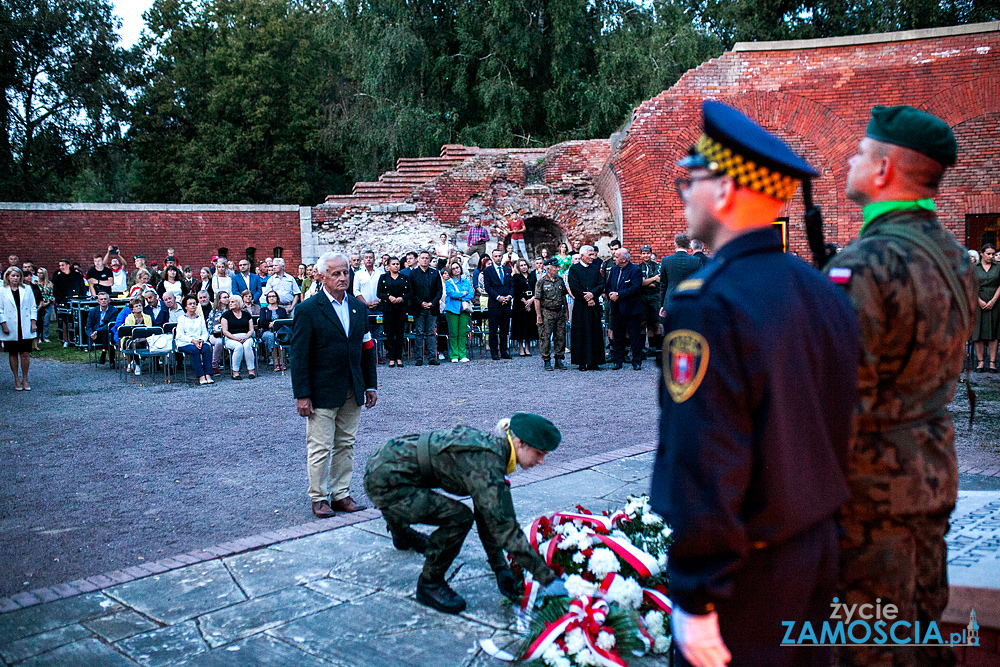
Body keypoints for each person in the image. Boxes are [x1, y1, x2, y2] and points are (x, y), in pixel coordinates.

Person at [651, 99, 860, 667]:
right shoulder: (824, 293)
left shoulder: (707, 305)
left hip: (747, 580)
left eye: (687, 179)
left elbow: (706, 461)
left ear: (722, 191)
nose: (682, 193)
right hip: (818, 556)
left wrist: (695, 598)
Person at [824, 105, 977, 667]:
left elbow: (839, 404)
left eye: (860, 152)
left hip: (869, 496)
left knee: (865, 647)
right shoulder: (954, 257)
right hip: (930, 475)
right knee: (921, 629)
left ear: (884, 170)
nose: (850, 159)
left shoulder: (864, 265)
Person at [363, 413, 566, 614]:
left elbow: (488, 517)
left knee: (440, 507)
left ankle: (402, 534)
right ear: (520, 443)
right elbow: (506, 530)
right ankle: (429, 584)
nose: (541, 461)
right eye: (539, 453)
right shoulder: (489, 466)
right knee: (459, 518)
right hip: (387, 482)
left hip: (387, 461)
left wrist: (500, 568)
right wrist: (547, 578)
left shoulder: (492, 450)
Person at [290, 252, 377, 519]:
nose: (343, 278)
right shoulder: (307, 310)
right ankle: (319, 497)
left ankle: (341, 493)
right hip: (321, 390)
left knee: (346, 444)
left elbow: (367, 347)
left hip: (353, 387)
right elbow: (299, 355)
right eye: (336, 273)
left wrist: (370, 385)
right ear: (321, 276)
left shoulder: (358, 308)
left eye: (346, 273)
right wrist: (302, 395)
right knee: (319, 446)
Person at [566, 246, 605, 370]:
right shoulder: (574, 269)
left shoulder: (595, 269)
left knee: (594, 332)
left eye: (593, 255)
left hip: (593, 305)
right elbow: (574, 287)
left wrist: (593, 294)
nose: (592, 257)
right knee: (581, 332)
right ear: (582, 256)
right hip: (581, 306)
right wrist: (586, 299)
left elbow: (601, 284)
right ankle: (581, 361)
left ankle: (594, 361)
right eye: (590, 255)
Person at [605, 248, 644, 370]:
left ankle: (636, 361)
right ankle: (618, 360)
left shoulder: (635, 270)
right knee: (618, 335)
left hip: (631, 308)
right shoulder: (614, 270)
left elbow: (636, 288)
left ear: (623, 259)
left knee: (634, 336)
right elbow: (609, 285)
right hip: (616, 308)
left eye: (616, 257)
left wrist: (619, 295)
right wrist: (611, 293)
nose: (614, 259)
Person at [1, 267, 37, 390]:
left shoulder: (26, 289)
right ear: (8, 277)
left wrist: (33, 322)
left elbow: (33, 306)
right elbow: (0, 309)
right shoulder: (2, 290)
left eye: (17, 276)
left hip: (25, 324)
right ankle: (16, 379)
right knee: (13, 353)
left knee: (25, 353)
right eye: (13, 276)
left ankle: (25, 379)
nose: (15, 278)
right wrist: (3, 324)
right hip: (10, 326)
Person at [534, 258, 569, 371]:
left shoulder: (560, 280)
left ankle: (559, 359)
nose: (557, 269)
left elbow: (564, 296)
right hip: (546, 312)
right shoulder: (542, 281)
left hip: (559, 311)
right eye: (555, 267)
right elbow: (537, 299)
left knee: (560, 336)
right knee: (545, 337)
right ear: (548, 268)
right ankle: (546, 360)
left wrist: (566, 311)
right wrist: (539, 315)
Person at [408, 251, 441, 366]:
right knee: (419, 333)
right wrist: (421, 303)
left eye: (427, 258)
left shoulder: (435, 273)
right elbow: (411, 291)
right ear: (418, 260)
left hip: (432, 308)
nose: (425, 260)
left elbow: (439, 290)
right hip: (419, 308)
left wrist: (432, 303)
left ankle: (432, 357)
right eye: (422, 258)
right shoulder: (413, 274)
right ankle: (419, 358)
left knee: (431, 333)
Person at [377, 256, 411, 368]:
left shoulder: (404, 278)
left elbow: (410, 292)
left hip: (400, 308)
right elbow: (379, 293)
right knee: (390, 333)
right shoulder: (383, 277)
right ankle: (391, 357)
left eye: (397, 264)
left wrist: (402, 298)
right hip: (388, 308)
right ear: (388, 266)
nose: (396, 266)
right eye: (393, 264)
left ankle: (399, 357)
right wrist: (388, 297)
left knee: (400, 333)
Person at [658, 233, 702, 316]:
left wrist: (662, 304)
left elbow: (663, 285)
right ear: (689, 245)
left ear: (675, 244)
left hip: (671, 299)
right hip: (690, 298)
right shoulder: (696, 260)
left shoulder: (666, 260)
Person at [973, 243, 1000, 372]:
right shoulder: (974, 268)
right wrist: (979, 301)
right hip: (978, 301)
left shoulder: (998, 267)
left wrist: (993, 301)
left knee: (993, 332)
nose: (991, 256)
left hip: (995, 301)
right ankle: (980, 362)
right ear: (982, 254)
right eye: (988, 254)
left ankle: (992, 362)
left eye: (993, 254)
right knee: (978, 332)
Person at [176, 294, 214, 385]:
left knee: (206, 349)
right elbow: (180, 335)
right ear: (185, 307)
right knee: (194, 350)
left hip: (199, 341)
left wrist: (201, 340)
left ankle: (208, 374)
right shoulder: (181, 319)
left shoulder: (200, 319)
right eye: (190, 304)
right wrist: (192, 341)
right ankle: (201, 376)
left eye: (194, 304)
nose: (193, 305)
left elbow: (205, 333)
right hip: (185, 343)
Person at [483, 249, 513, 360]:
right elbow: (488, 287)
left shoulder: (507, 269)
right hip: (494, 304)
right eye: (496, 256)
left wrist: (509, 296)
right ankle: (494, 352)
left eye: (500, 256)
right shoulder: (488, 271)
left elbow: (511, 285)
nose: (498, 258)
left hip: (506, 303)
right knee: (493, 330)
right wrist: (498, 297)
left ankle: (504, 351)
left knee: (505, 329)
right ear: (492, 257)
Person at [443, 262, 473, 362]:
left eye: (458, 267)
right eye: (454, 268)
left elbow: (471, 294)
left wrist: (459, 296)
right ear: (451, 271)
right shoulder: (449, 282)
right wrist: (463, 293)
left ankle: (462, 354)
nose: (456, 270)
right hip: (452, 309)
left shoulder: (466, 281)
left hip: (464, 309)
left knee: (462, 332)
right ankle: (454, 355)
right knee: (454, 332)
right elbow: (451, 294)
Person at [52, 259, 87, 347]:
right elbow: (56, 291)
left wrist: (82, 297)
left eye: (63, 265)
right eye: (60, 266)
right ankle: (66, 340)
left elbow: (82, 287)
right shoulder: (58, 278)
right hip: (65, 302)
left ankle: (80, 338)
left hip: (78, 301)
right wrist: (61, 301)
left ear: (68, 265)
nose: (61, 267)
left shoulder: (77, 275)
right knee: (65, 321)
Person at [221, 293, 256, 380]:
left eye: (233, 302)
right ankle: (235, 372)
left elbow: (251, 330)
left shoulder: (247, 315)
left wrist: (246, 337)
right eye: (230, 302)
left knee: (247, 346)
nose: (230, 304)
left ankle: (251, 370)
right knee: (238, 346)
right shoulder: (226, 315)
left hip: (246, 336)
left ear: (239, 303)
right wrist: (235, 338)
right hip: (231, 337)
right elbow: (225, 331)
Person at [510, 258, 537, 357]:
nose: (523, 267)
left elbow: (536, 289)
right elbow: (515, 290)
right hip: (520, 304)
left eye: (525, 265)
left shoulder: (532, 276)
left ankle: (527, 346)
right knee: (520, 325)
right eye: (521, 265)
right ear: (518, 267)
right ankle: (521, 347)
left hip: (531, 302)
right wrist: (524, 301)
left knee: (529, 324)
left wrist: (531, 301)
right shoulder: (516, 277)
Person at [85, 292, 119, 368]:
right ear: (98, 301)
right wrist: (91, 334)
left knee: (107, 331)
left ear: (109, 300)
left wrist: (97, 331)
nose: (103, 301)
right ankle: (110, 360)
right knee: (106, 333)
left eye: (105, 299)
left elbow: (111, 324)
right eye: (101, 299)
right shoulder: (93, 311)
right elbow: (88, 326)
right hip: (96, 335)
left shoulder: (114, 311)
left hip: (108, 333)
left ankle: (104, 352)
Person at [638, 245, 661, 354]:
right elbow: (639, 283)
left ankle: (655, 347)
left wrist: (646, 283)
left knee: (655, 322)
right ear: (640, 255)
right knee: (643, 323)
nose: (646, 255)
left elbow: (658, 282)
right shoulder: (638, 268)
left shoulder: (657, 266)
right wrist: (652, 279)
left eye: (647, 253)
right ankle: (642, 347)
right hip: (643, 297)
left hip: (655, 297)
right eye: (643, 253)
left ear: (651, 254)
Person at [121, 297, 152, 376]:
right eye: (136, 306)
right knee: (135, 345)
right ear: (132, 309)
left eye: (140, 306)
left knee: (141, 344)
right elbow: (128, 332)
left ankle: (133, 362)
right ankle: (138, 365)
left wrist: (142, 338)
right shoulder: (128, 318)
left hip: (144, 339)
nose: (139, 307)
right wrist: (136, 337)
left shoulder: (147, 317)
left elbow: (149, 330)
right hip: (130, 339)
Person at [259, 291, 289, 370]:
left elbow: (286, 321)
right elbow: (262, 322)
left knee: (280, 336)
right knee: (271, 336)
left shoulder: (282, 310)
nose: (271, 298)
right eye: (269, 296)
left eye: (273, 296)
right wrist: (269, 325)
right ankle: (275, 361)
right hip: (268, 331)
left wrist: (276, 324)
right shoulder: (263, 310)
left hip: (280, 330)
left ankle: (282, 361)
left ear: (277, 298)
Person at [206, 292, 229, 375]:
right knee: (219, 342)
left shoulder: (231, 311)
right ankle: (214, 365)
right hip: (216, 334)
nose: (227, 299)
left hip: (229, 334)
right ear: (219, 300)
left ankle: (235, 366)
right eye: (225, 297)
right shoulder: (213, 312)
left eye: (228, 297)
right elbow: (209, 326)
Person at [33, 267, 53, 343]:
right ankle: (39, 337)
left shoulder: (49, 283)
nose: (39, 275)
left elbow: (51, 294)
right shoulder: (35, 283)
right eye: (38, 273)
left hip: (48, 304)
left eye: (41, 273)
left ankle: (45, 336)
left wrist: (48, 301)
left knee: (46, 322)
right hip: (38, 304)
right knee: (38, 321)